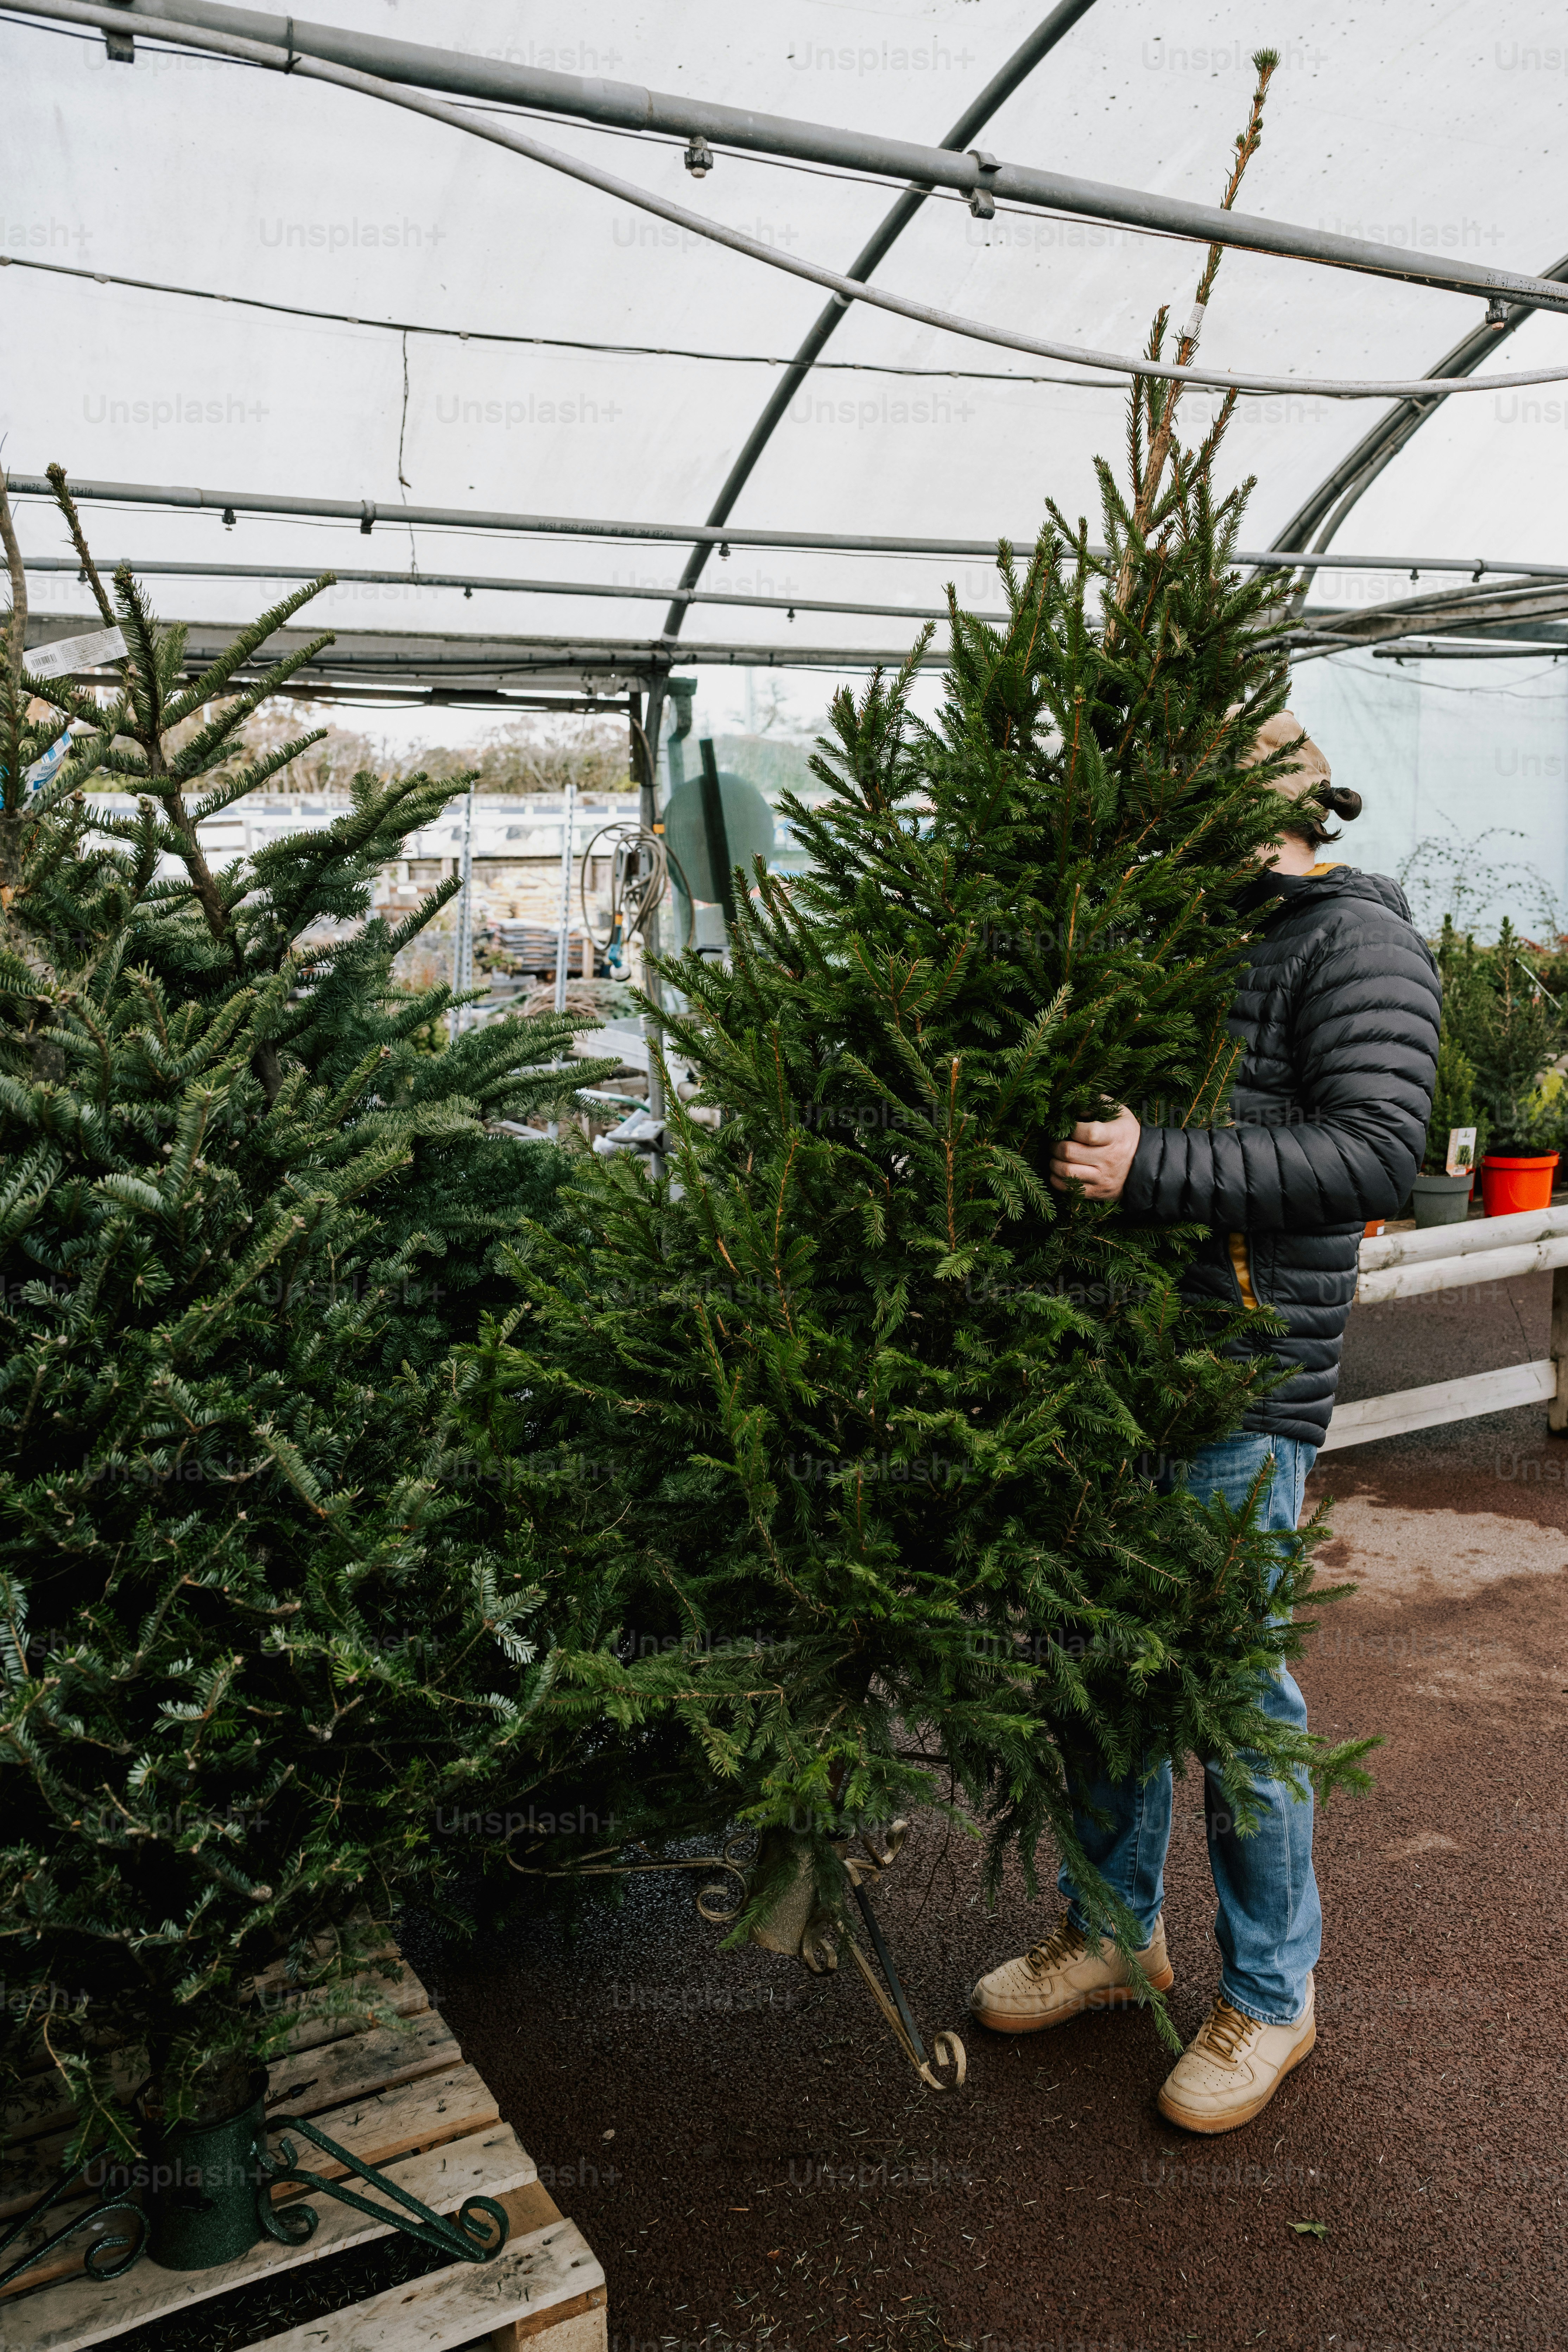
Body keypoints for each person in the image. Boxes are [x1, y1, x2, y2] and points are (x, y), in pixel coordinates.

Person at [970, 712, 1441, 2133]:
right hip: (1105, 1372)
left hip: (1235, 1375)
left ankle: (1271, 2000)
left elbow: (1377, 1151)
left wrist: (1150, 1165)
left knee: (1235, 1702)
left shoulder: (1349, 944)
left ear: (1260, 819)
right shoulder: (1186, 939)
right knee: (1104, 1669)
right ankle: (1111, 1933)